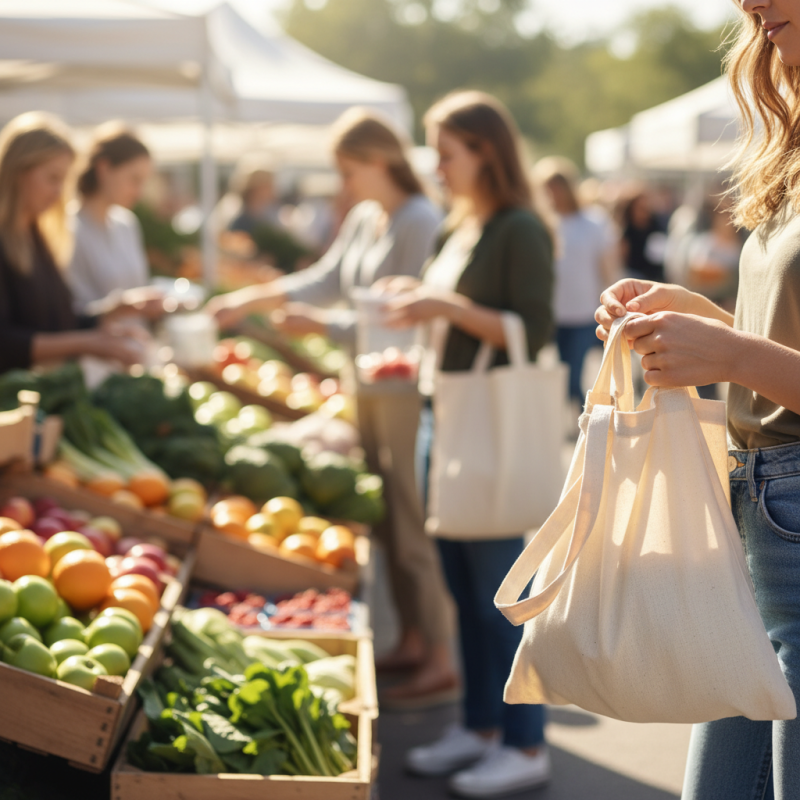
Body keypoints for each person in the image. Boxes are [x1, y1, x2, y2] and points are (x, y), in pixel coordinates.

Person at [596, 2, 800, 796]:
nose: (750, 3)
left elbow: (760, 358)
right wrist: (702, 317)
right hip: (755, 506)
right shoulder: (792, 146)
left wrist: (731, 351)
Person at [206, 109, 458, 706]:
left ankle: (440, 653)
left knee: (407, 513)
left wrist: (317, 322)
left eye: (348, 170)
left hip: (399, 387)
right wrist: (251, 298)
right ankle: (418, 641)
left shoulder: (418, 220)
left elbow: (393, 313)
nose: (343, 185)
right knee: (387, 514)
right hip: (367, 379)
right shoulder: (370, 218)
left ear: (378, 161)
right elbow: (326, 278)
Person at [384, 91, 554, 798]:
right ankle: (480, 725)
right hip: (446, 417)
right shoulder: (464, 226)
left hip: (482, 423)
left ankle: (526, 741)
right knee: (460, 585)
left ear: (486, 151)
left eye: (446, 152)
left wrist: (444, 305)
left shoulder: (519, 228)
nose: (435, 166)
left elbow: (533, 331)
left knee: (495, 595)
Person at [0, 113, 152, 375]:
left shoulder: (38, 237)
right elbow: (6, 342)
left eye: (63, 180)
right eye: (52, 178)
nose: (59, 192)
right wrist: (89, 343)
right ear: (18, 172)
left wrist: (109, 314)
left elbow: (59, 322)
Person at [534, 156, 619, 408]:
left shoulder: (593, 222)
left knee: (573, 376)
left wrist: (611, 304)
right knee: (555, 375)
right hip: (552, 312)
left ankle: (585, 419)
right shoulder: (541, 222)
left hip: (583, 310)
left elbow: (606, 267)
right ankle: (571, 422)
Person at [69, 124, 155, 315]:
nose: (139, 192)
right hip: (98, 343)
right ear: (104, 168)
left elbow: (140, 287)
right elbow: (72, 310)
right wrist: (115, 308)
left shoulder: (126, 223)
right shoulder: (70, 229)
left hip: (138, 341)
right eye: (134, 179)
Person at [618, 187, 667, 283]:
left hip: (655, 278)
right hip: (634, 278)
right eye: (640, 208)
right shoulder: (627, 232)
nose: (644, 212)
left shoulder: (656, 227)